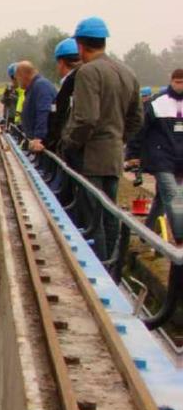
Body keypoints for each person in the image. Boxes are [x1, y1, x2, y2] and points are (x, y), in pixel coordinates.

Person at [60, 17, 143, 261]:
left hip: (91, 158)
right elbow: (137, 118)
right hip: (114, 158)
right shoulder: (127, 72)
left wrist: (70, 142)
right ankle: (114, 269)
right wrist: (118, 139)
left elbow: (86, 119)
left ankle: (100, 269)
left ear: (80, 45)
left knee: (92, 217)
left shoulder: (88, 72)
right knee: (110, 216)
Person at [126, 69, 183, 243]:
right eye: (177, 82)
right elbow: (139, 130)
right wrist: (133, 154)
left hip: (180, 159)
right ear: (171, 81)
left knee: (162, 198)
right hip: (161, 158)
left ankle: (147, 233)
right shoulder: (157, 103)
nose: (180, 86)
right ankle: (180, 240)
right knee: (174, 196)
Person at [39, 38, 84, 157]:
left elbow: (60, 120)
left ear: (61, 62)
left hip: (70, 154)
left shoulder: (70, 85)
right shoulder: (86, 81)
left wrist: (46, 143)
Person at [16, 61, 58, 150]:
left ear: (22, 75)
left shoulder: (41, 85)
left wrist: (38, 138)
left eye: (17, 78)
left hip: (43, 145)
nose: (18, 82)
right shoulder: (33, 87)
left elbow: (43, 111)